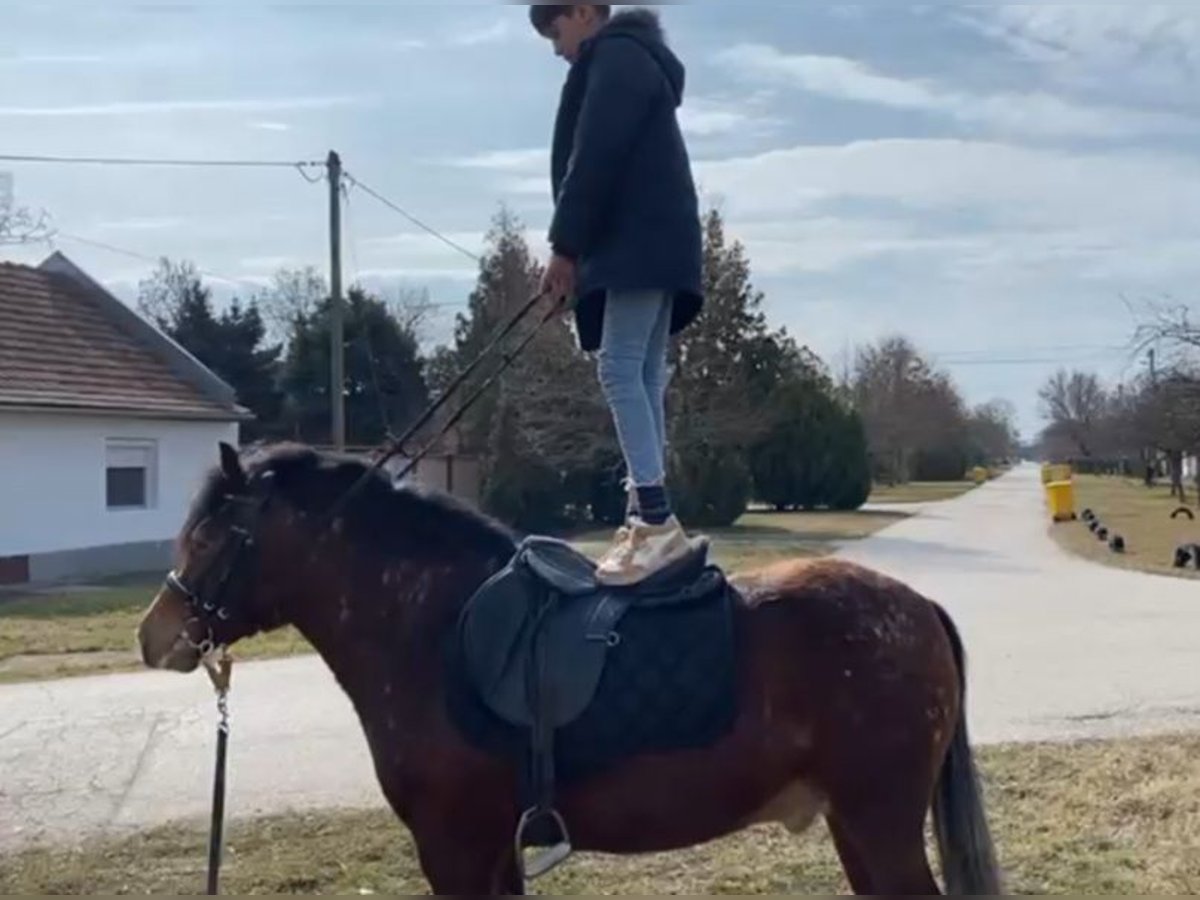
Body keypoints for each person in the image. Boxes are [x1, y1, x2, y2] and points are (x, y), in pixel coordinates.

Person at [530, 3, 706, 586]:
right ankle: (649, 520)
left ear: (583, 12)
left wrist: (566, 247)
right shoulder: (639, 59)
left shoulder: (615, 57)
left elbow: (595, 157)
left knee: (619, 367)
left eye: (555, 31)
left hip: (638, 242)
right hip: (662, 240)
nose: (556, 49)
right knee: (646, 373)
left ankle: (653, 520)